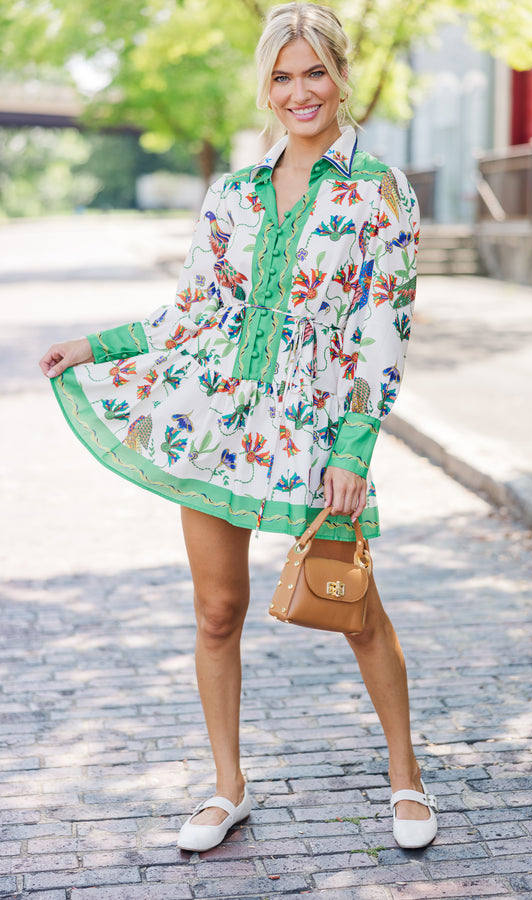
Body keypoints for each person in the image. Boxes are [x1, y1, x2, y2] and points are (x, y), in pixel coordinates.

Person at [40, 1, 438, 853]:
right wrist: (95, 345)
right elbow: (193, 310)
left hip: (318, 429)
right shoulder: (233, 193)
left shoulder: (380, 192)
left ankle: (406, 777)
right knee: (218, 611)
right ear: (266, 87)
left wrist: (355, 447)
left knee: (353, 605)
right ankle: (228, 788)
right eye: (283, 77)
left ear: (340, 75)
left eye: (315, 72)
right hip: (220, 423)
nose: (300, 92)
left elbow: (383, 326)